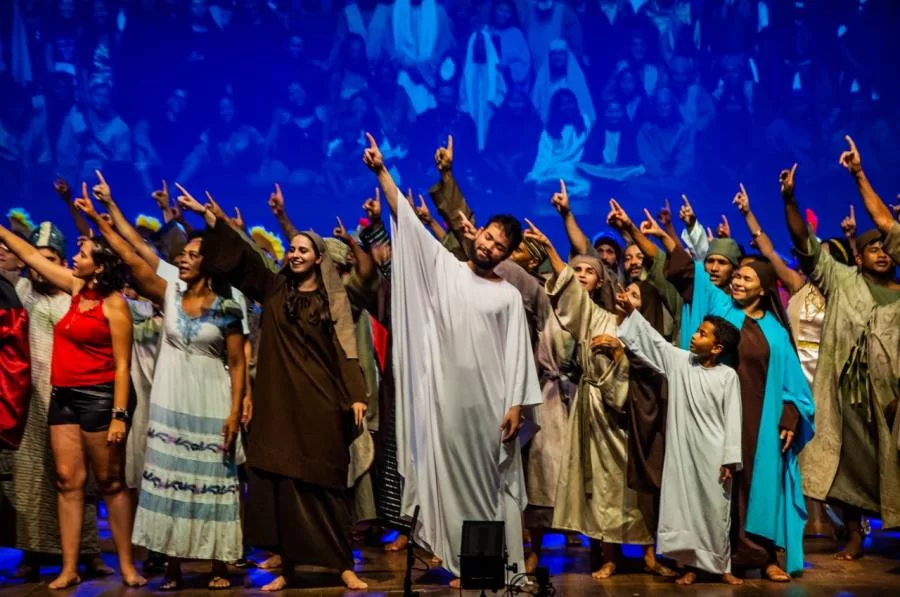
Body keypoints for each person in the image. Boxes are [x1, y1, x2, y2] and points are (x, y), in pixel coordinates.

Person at [363, 133, 541, 587]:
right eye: (488, 237)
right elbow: (407, 218)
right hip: (444, 402)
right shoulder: (444, 267)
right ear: (477, 234)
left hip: (487, 408)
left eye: (500, 246)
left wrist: (517, 405)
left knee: (486, 490)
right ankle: (461, 563)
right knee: (448, 481)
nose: (489, 246)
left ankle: (485, 568)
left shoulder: (506, 296)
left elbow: (518, 356)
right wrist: (382, 171)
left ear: (506, 254)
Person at [197, 184, 369, 592]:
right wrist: (216, 223)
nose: (294, 254)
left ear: (318, 259)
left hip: (321, 401)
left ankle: (343, 565)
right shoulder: (275, 290)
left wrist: (357, 395)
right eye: (290, 249)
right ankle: (288, 568)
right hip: (280, 403)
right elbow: (247, 261)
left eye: (302, 250)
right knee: (284, 487)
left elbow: (348, 350)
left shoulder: (334, 300)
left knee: (325, 485)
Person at [75, 185, 246, 590]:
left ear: (210, 263)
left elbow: (237, 364)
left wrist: (236, 412)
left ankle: (220, 563)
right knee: (168, 478)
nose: (182, 260)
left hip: (211, 398)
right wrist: (104, 213)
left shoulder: (227, 308)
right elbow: (132, 255)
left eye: (191, 256)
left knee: (212, 481)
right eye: (181, 255)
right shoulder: (168, 294)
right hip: (171, 398)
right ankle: (171, 565)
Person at [0, 200, 145, 589]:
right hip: (64, 396)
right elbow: (29, 253)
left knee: (110, 481)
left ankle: (128, 565)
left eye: (80, 254)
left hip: (100, 398)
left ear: (98, 265)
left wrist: (119, 414)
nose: (74, 258)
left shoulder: (115, 305)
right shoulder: (75, 287)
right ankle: (68, 567)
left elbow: (120, 366)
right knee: (68, 480)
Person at [665, 210, 815, 581]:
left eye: (745, 277)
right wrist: (665, 233)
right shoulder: (720, 310)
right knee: (714, 484)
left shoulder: (776, 333)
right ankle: (706, 560)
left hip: (759, 421)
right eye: (737, 276)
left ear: (763, 288)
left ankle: (762, 558)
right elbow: (687, 273)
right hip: (715, 417)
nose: (736, 280)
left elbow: (795, 386)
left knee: (756, 486)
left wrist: (791, 417)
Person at [783, 141, 900, 561]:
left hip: (894, 398)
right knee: (845, 461)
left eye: (887, 248)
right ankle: (853, 533)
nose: (882, 254)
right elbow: (805, 246)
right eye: (873, 249)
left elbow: (887, 225)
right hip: (849, 395)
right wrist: (790, 201)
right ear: (859, 255)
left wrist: (860, 175)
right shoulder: (842, 280)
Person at [523, 218, 653, 580]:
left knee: (631, 483)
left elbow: (651, 359)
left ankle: (647, 552)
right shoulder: (589, 315)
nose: (581, 275)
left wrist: (618, 352)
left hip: (625, 410)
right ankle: (608, 553)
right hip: (594, 407)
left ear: (603, 278)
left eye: (589, 271)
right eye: (576, 269)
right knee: (601, 484)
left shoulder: (627, 317)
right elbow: (570, 297)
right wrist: (550, 249)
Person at [618, 303, 744, 586]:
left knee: (715, 510)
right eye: (697, 331)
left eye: (702, 334)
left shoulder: (727, 377)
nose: (694, 336)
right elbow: (653, 342)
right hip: (684, 452)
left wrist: (729, 458)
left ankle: (721, 565)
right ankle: (691, 566)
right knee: (686, 510)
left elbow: (733, 419)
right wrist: (631, 313)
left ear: (717, 348)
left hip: (713, 454)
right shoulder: (681, 362)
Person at [11, 222, 110, 581]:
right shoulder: (20, 290)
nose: (40, 266)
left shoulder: (73, 294)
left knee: (81, 479)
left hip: (71, 395)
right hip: (29, 397)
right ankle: (33, 553)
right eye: (36, 259)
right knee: (33, 478)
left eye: (49, 259)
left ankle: (88, 552)